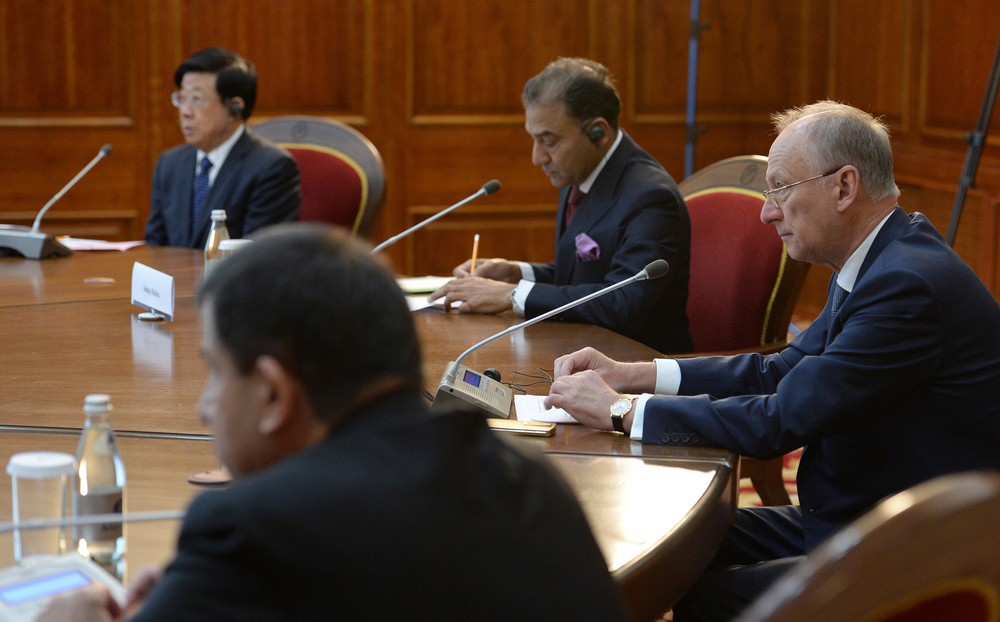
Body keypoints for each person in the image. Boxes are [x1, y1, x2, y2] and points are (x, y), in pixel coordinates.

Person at [543, 101, 1000, 620]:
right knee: (675, 538)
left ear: (844, 187)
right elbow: (778, 370)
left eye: (781, 188)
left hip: (922, 547)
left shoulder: (905, 285)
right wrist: (635, 375)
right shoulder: (884, 255)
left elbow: (781, 419)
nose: (767, 212)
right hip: (858, 512)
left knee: (706, 591)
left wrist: (622, 411)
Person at [38, 223, 628, 621]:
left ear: (273, 393)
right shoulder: (530, 481)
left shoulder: (248, 530)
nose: (204, 407)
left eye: (215, 373)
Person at [430, 57, 693, 354]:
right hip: (580, 349)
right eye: (534, 140)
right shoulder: (580, 171)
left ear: (598, 132)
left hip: (639, 362)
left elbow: (621, 303)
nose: (537, 157)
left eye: (549, 142)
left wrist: (512, 295)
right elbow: (583, 276)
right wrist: (518, 274)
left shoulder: (650, 196)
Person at [144, 48, 301, 248]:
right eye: (182, 98)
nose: (184, 112)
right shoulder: (170, 163)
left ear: (235, 108)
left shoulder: (272, 168)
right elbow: (155, 247)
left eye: (196, 99)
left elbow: (259, 256)